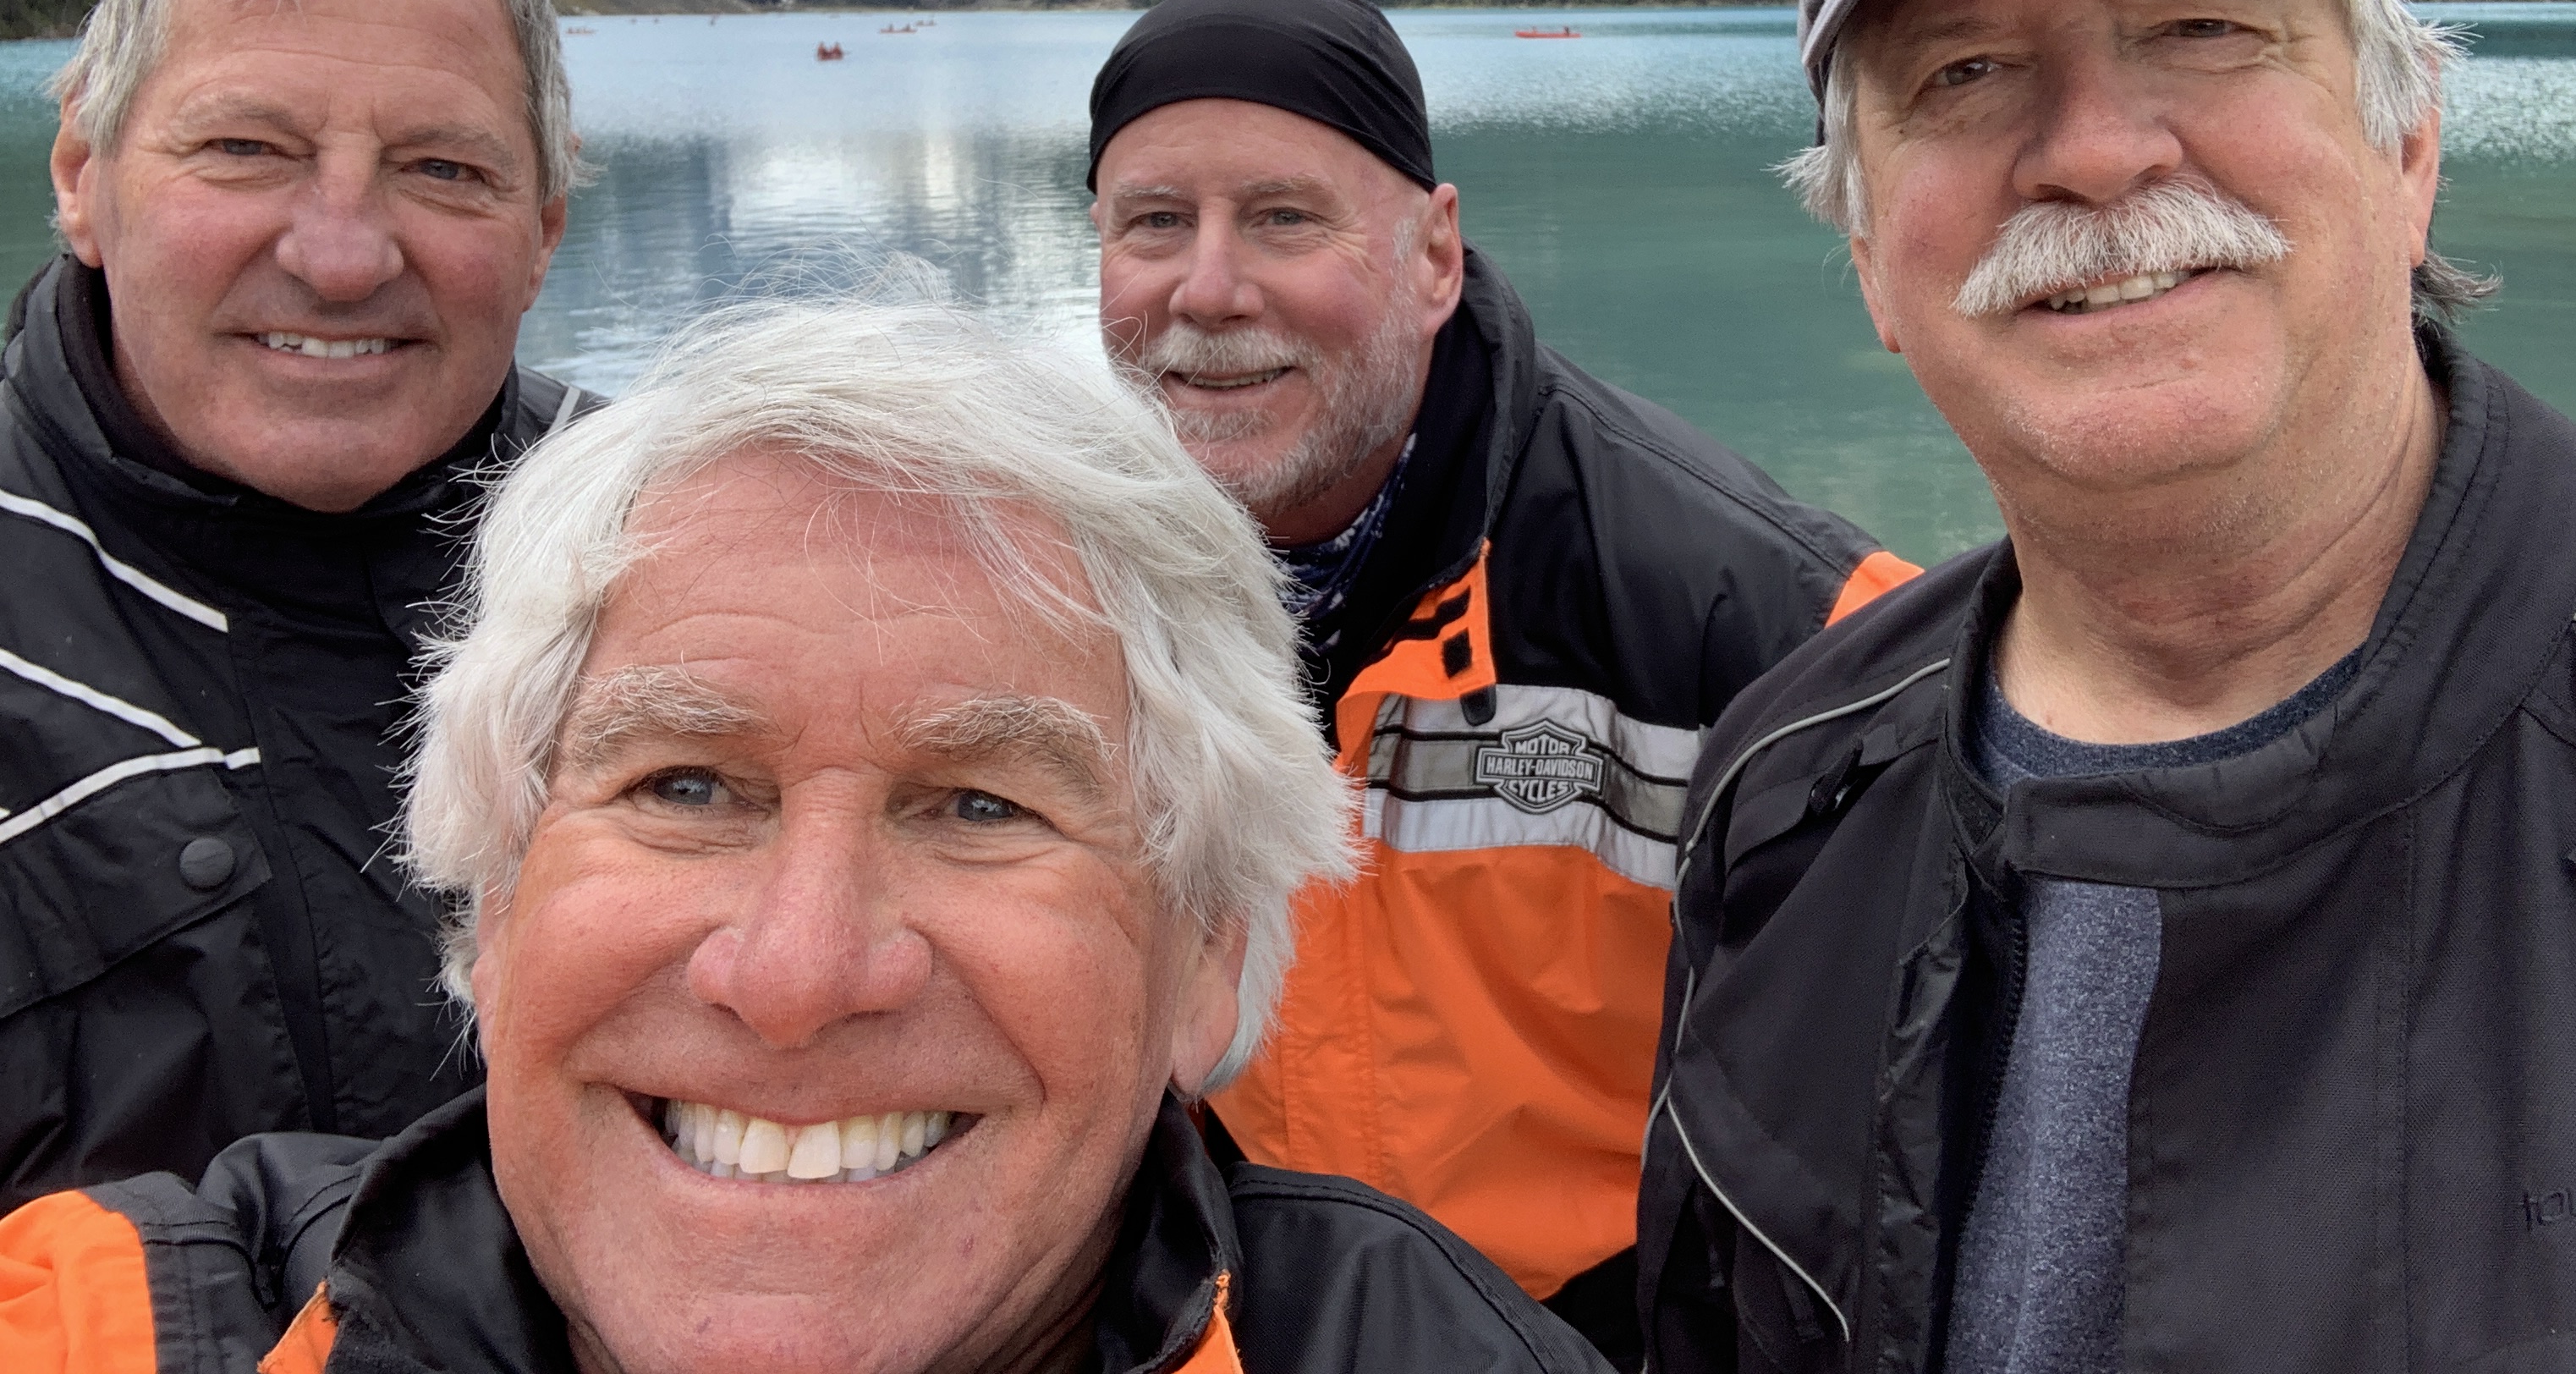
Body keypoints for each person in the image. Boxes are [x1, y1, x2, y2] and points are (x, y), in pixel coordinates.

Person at [0, 298, 1617, 1374]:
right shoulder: (124, 1328)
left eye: (982, 807)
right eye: (685, 788)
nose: (797, 975)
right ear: (491, 905)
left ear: (1208, 956)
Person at [1638, 0, 2576, 1373]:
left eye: (2203, 27)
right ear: (1868, 257)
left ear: (2406, 144)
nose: (2092, 152)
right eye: (1961, 74)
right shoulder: (1784, 804)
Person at [1087, 0, 1916, 1359]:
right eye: (1154, 223)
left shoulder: (1789, 629)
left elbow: (1898, 1144)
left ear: (1433, 255)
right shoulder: (1058, 594)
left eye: (1284, 219)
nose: (1208, 288)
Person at [0, 0, 586, 1208]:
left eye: (444, 169)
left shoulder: (681, 548)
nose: (340, 256)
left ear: (544, 232)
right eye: (245, 147)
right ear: (82, 177)